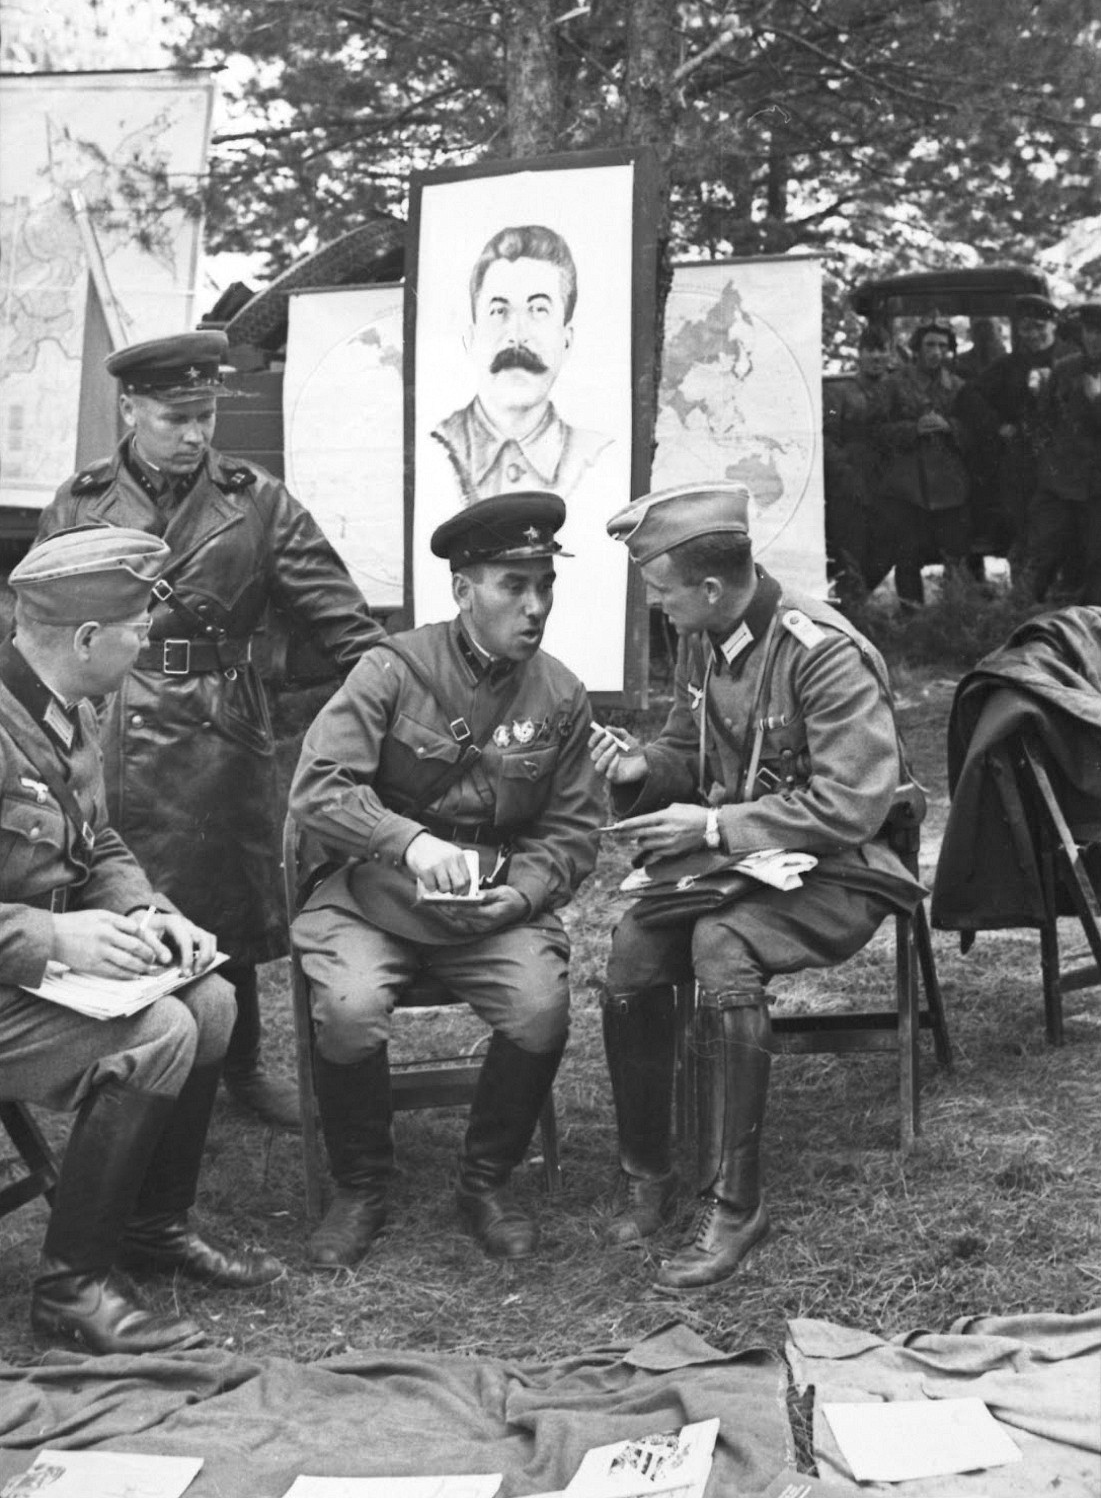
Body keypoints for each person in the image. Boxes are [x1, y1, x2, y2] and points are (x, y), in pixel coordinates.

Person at [37, 330, 384, 1129]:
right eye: (175, 417)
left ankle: (242, 1065)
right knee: (118, 892)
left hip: (219, 724)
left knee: (227, 897)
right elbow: (44, 628)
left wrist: (373, 716)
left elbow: (344, 625)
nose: (195, 435)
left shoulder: (256, 499)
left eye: (205, 415)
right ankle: (123, 1058)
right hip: (109, 722)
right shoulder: (81, 501)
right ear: (131, 408)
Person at [589, 483, 922, 1289]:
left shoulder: (823, 652)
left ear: (709, 586)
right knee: (633, 948)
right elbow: (685, 746)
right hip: (746, 867)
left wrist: (709, 829)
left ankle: (734, 1204)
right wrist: (643, 767)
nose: (656, 607)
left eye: (661, 591)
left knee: (719, 942)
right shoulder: (705, 636)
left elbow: (849, 803)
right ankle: (651, 1173)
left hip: (846, 870)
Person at [288, 492, 601, 1268]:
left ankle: (487, 1182)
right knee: (351, 1008)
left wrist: (524, 893)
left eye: (544, 585)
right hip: (374, 897)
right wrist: (407, 841)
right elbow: (318, 789)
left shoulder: (559, 696)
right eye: (511, 585)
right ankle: (360, 1186)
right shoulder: (391, 672)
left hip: (493, 908)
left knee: (538, 1009)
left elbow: (569, 831)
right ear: (463, 591)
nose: (535, 607)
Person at [0, 527, 282, 1356]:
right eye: (136, 629)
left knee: (213, 999)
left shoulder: (62, 706)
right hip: (16, 970)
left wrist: (144, 912)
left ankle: (150, 1226)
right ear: (86, 639)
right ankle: (70, 1290)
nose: (150, 642)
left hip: (33, 974)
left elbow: (96, 841)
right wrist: (52, 935)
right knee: (159, 1032)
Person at [430, 225, 613, 503]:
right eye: (498, 310)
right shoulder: (433, 451)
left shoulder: (599, 459)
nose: (516, 335)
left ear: (567, 341)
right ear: (471, 339)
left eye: (538, 309)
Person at [956, 293, 1073, 569]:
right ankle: (1024, 602)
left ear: (1053, 326)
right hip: (1023, 463)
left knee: (1067, 532)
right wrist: (997, 426)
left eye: (1039, 328)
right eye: (1026, 328)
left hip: (1067, 463)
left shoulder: (1071, 360)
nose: (1032, 335)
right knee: (1023, 530)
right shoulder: (1009, 365)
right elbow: (968, 396)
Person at [865, 319, 970, 607]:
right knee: (907, 556)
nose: (936, 351)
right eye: (929, 345)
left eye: (942, 346)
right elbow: (873, 431)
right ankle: (911, 616)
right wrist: (913, 429)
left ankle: (955, 615)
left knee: (955, 555)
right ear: (917, 348)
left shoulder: (958, 387)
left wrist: (950, 426)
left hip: (950, 486)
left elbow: (974, 429)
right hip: (907, 487)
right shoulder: (894, 385)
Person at [1026, 304, 1101, 602]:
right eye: (1091, 331)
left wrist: (1096, 400)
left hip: (1098, 489)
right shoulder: (1065, 369)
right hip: (1060, 483)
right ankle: (1027, 618)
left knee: (1096, 561)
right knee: (1045, 553)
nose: (1095, 338)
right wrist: (1047, 464)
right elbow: (1041, 421)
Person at [822, 324, 892, 605]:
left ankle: (859, 600)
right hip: (849, 487)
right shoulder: (839, 392)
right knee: (850, 550)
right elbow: (826, 440)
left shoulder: (897, 388)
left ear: (890, 354)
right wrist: (845, 475)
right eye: (870, 350)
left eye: (882, 350)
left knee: (886, 547)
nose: (876, 356)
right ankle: (850, 609)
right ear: (859, 354)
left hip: (888, 486)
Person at [954, 316, 1007, 383]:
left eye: (987, 327)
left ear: (999, 330)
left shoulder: (1009, 361)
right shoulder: (961, 362)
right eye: (978, 328)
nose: (982, 332)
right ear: (971, 333)